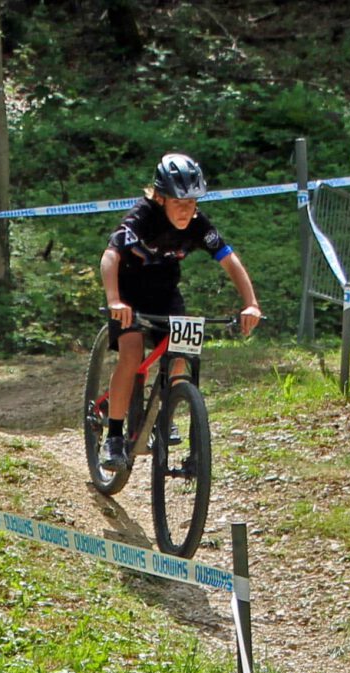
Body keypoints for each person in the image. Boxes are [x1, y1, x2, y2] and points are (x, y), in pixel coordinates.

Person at [96, 153, 263, 476]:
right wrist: (114, 299)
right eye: (178, 203)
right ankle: (114, 437)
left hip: (165, 295)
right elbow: (110, 256)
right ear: (160, 198)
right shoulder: (142, 217)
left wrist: (251, 303)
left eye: (192, 203)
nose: (187, 210)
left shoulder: (199, 224)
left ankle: (166, 415)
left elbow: (231, 261)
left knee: (181, 356)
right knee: (131, 355)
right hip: (130, 294)